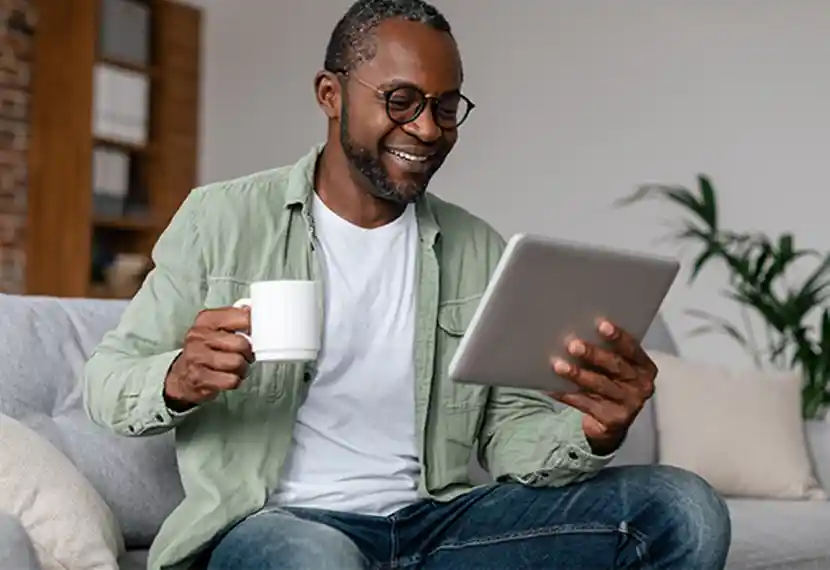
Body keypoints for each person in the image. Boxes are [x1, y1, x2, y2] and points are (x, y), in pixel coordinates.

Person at [82, 1, 731, 569]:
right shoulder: (221, 219)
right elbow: (106, 384)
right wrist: (179, 377)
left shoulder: (477, 248)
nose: (427, 128)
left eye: (446, 108)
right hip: (280, 526)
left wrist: (594, 433)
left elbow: (509, 437)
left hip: (435, 527)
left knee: (683, 509)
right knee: (318, 560)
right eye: (401, 101)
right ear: (331, 94)